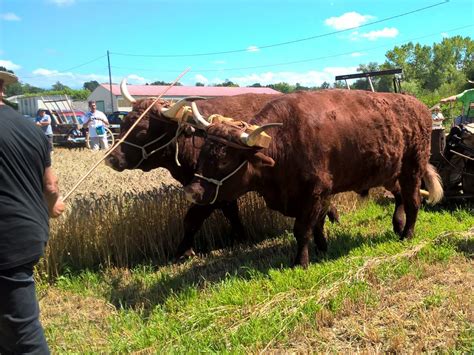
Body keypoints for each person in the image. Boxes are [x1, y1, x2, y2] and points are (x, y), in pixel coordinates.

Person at [0, 70, 65, 353]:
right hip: (28, 234)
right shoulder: (32, 129)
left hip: (5, 243)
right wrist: (53, 208)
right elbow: (50, 186)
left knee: (24, 337)